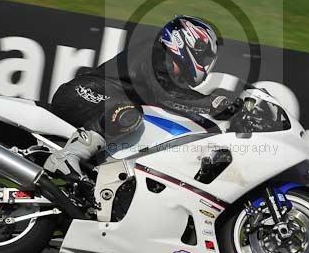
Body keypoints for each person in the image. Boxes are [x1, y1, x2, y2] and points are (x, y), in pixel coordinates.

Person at [45, 15, 239, 180]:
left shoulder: (171, 75)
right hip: (81, 94)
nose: (205, 64)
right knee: (128, 114)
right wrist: (212, 102)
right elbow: (167, 95)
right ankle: (66, 156)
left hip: (102, 104)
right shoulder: (157, 54)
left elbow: (179, 102)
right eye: (204, 57)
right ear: (187, 42)